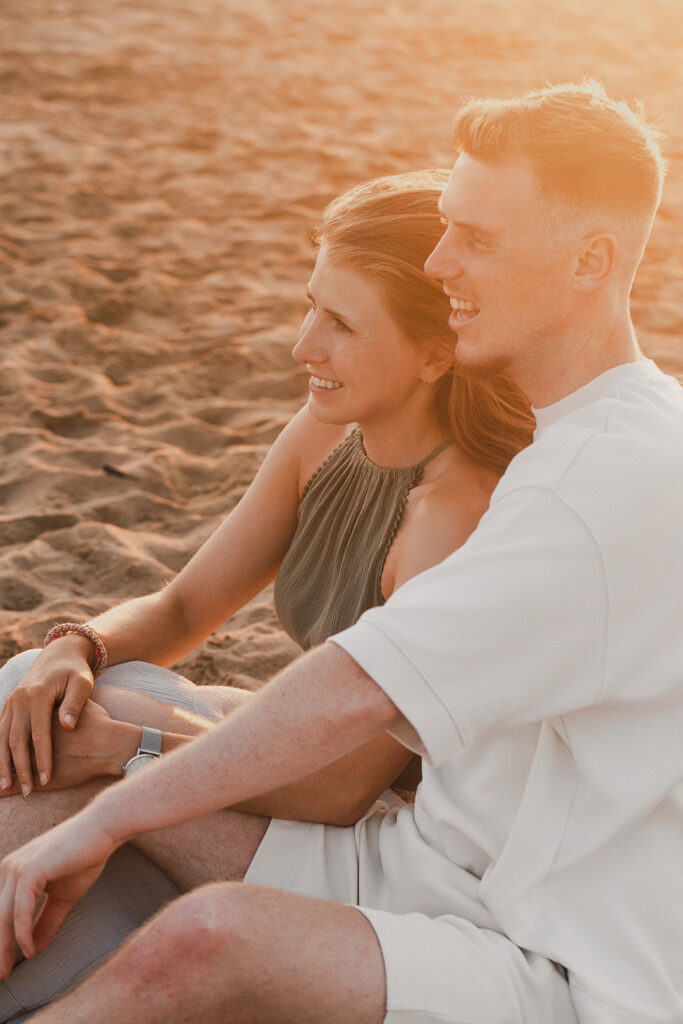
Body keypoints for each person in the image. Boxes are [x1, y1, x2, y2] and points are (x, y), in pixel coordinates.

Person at [1, 78, 681, 1024]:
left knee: (199, 931)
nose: (442, 265)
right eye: (445, 226)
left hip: (551, 949)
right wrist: (90, 701)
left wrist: (121, 784)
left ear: (590, 260)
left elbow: (354, 695)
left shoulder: (599, 482)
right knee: (43, 771)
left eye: (477, 240)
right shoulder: (574, 441)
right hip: (418, 858)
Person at [0, 172, 533, 1020]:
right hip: (303, 779)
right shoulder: (329, 433)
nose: (302, 346)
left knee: (91, 759)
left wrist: (121, 754)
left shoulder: (450, 520)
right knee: (47, 689)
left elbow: (342, 789)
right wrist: (76, 643)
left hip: (381, 846)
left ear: (438, 352)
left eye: (342, 324)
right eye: (310, 305)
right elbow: (180, 612)